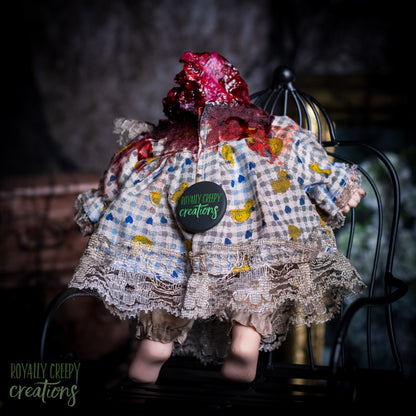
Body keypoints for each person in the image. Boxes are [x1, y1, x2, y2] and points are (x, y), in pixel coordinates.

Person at [69, 51, 366, 384]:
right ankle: (225, 354)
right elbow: (305, 158)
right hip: (208, 248)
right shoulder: (249, 136)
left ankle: (182, 361)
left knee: (202, 314)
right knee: (224, 302)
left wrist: (335, 185)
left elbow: (118, 176)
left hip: (209, 250)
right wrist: (337, 188)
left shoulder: (176, 143)